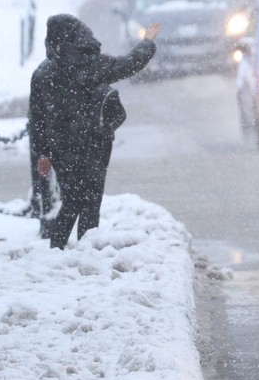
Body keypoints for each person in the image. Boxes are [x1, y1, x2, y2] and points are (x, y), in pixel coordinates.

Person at [28, 14, 160, 249]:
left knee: (71, 200)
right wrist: (147, 41)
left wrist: (43, 154)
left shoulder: (43, 74)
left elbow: (37, 120)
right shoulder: (91, 66)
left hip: (61, 149)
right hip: (94, 144)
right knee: (90, 202)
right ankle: (86, 249)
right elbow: (131, 63)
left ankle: (57, 249)